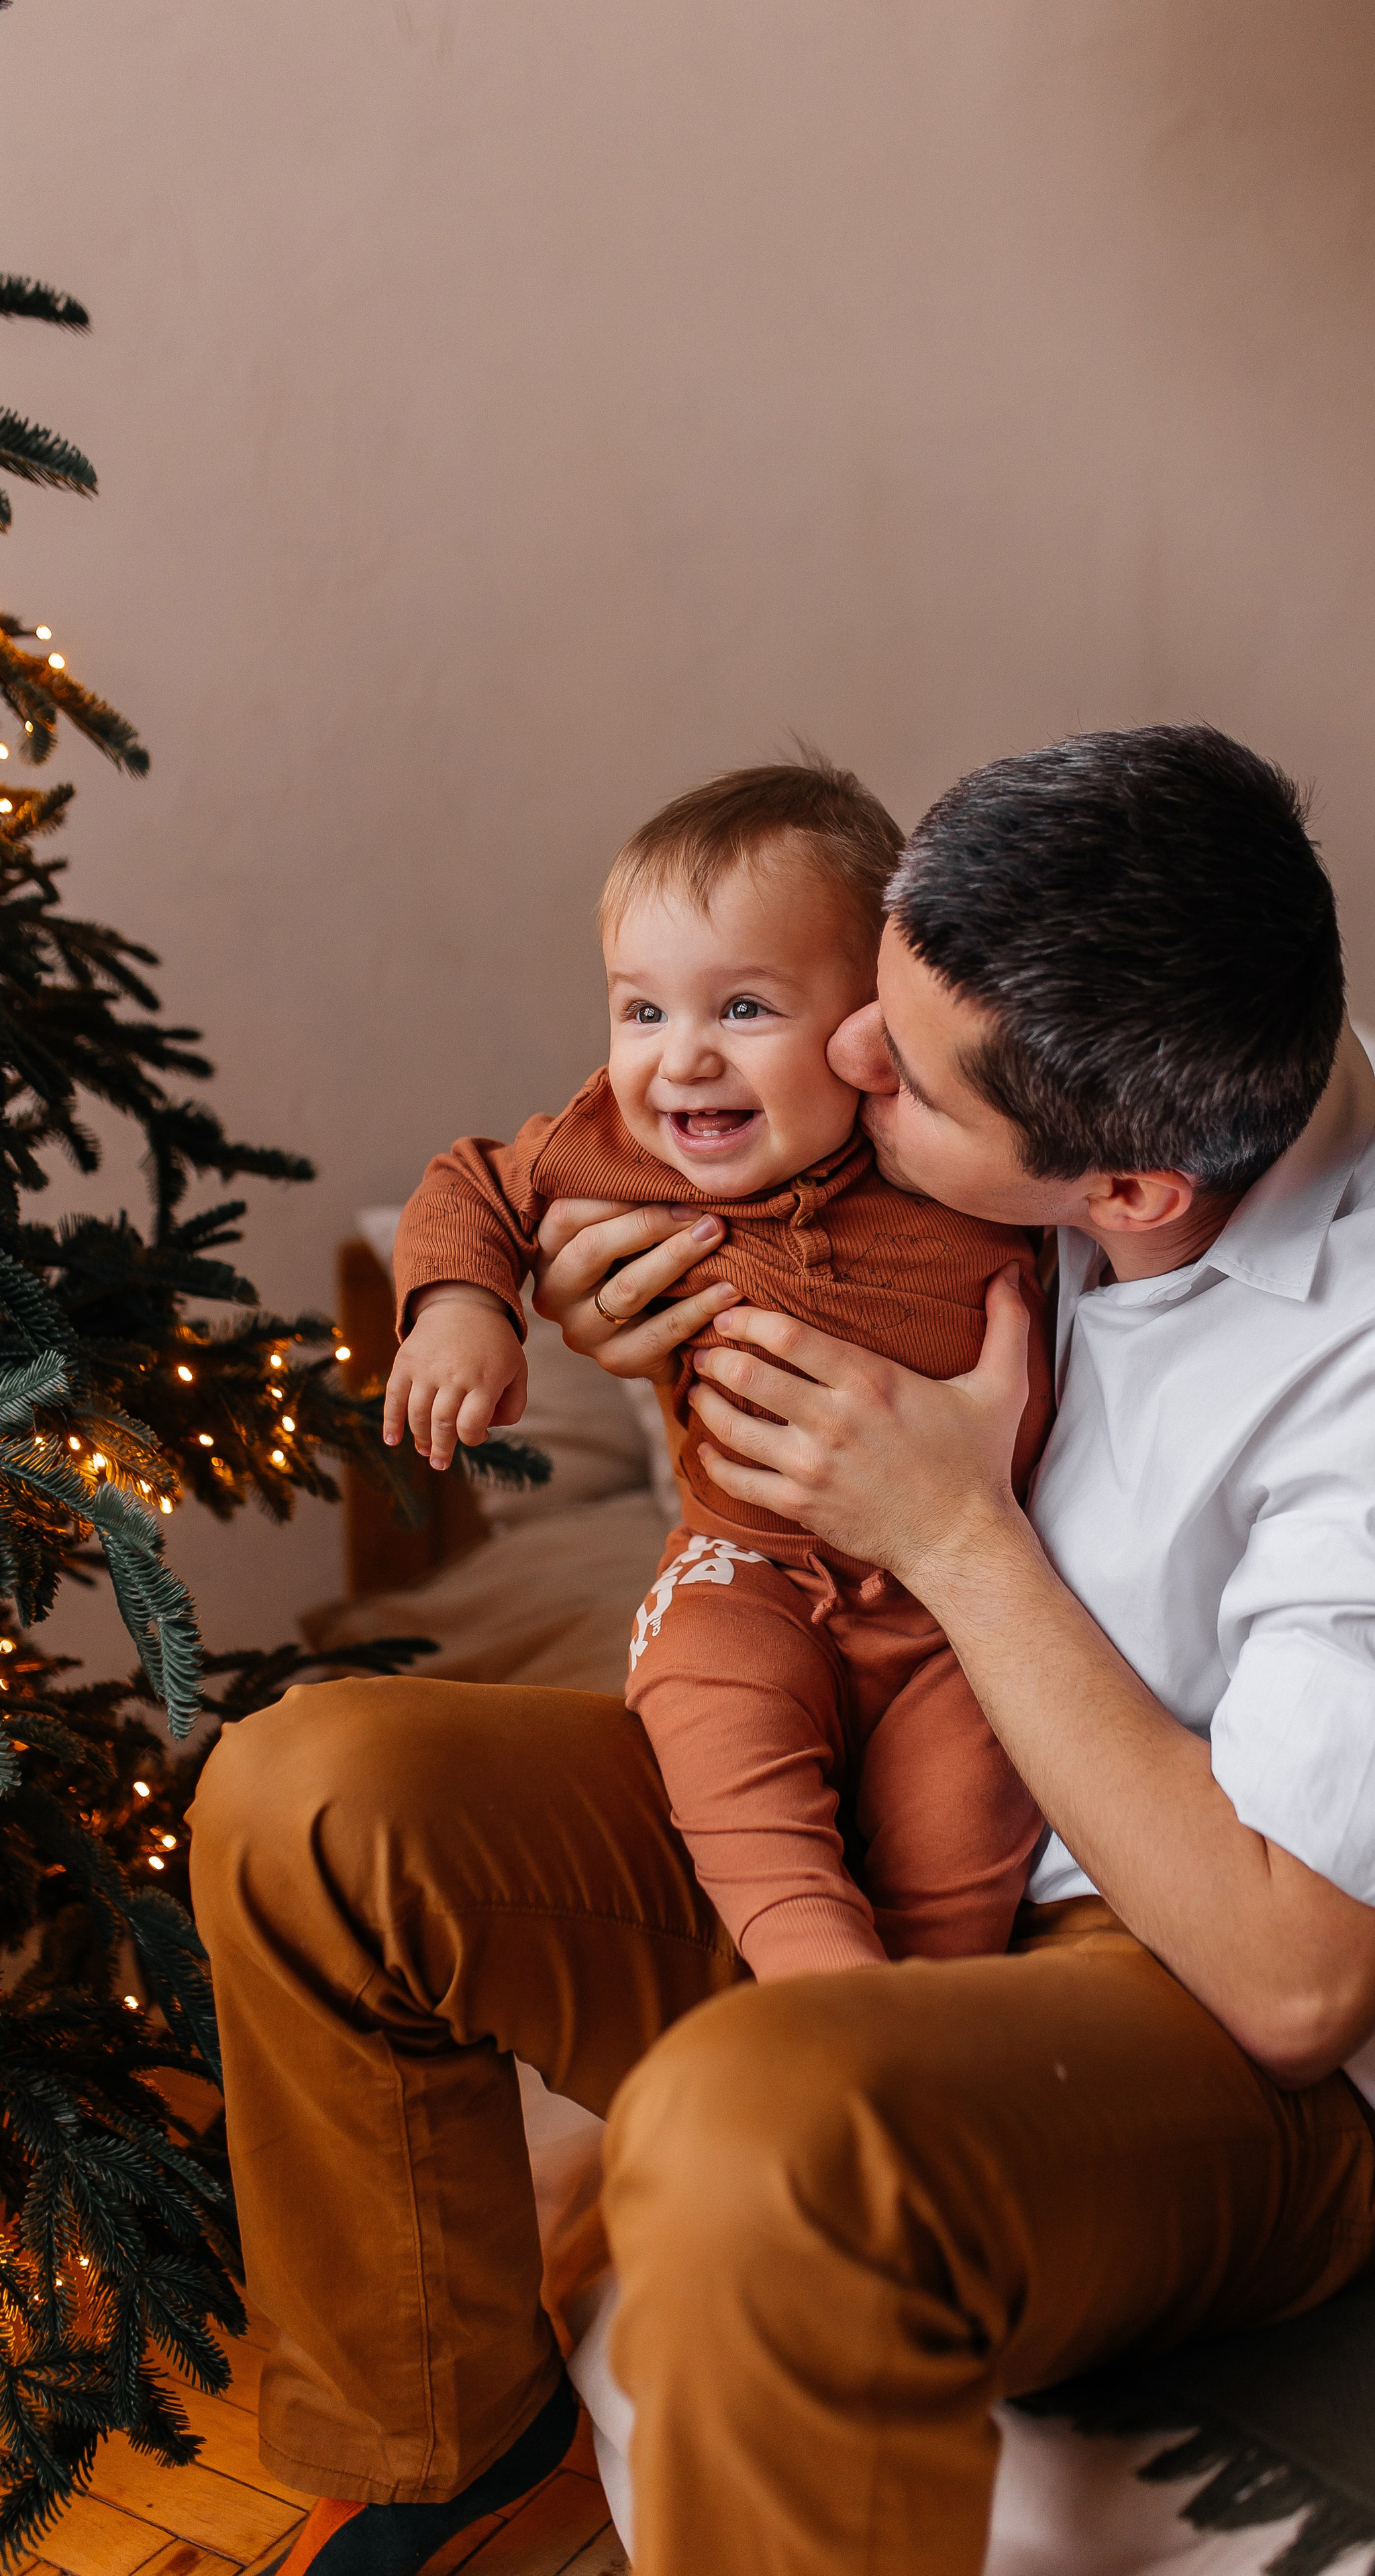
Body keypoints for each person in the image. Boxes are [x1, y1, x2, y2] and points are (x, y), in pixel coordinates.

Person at [193, 724, 1375, 2576]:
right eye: (873, 997)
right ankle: (448, 2449)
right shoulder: (1077, 1053)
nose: (841, 1059)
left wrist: (953, 1536)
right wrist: (630, 1267)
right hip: (897, 1823)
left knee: (762, 2128)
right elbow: (676, 1129)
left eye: (897, 1073)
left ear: (1124, 1189)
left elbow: (1299, 1979)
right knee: (313, 1788)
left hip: (1232, 2019)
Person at [383, 757, 1048, 1980]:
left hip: (961, 1604)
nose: (680, 1058)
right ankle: (810, 1968)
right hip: (751, 1558)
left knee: (981, 1784)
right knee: (705, 1680)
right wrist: (462, 1309)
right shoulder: (619, 1150)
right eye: (643, 1011)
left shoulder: (954, 1150)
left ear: (872, 1027)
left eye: (744, 1009)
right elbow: (474, 1183)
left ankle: (933, 2025)